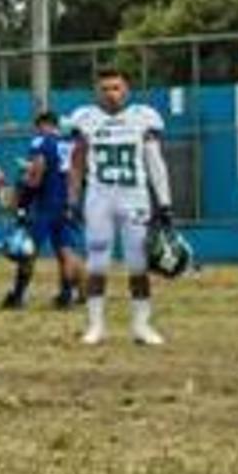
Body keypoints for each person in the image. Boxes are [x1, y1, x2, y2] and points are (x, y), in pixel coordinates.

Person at [68, 68, 171, 347]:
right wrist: (73, 199)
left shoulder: (143, 117)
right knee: (97, 259)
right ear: (97, 92)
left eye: (116, 88)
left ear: (126, 90)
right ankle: (96, 325)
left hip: (134, 196)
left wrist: (164, 202)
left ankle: (141, 325)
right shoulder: (86, 118)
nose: (111, 94)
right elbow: (77, 163)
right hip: (99, 197)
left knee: (138, 262)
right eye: (105, 88)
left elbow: (155, 162)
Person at [3, 109, 77, 311]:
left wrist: (26, 193)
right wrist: (71, 203)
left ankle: (17, 296)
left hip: (44, 204)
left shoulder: (40, 142)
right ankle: (67, 295)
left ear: (43, 124)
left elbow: (39, 170)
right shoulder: (66, 144)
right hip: (62, 203)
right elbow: (71, 175)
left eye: (38, 127)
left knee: (28, 251)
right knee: (65, 251)